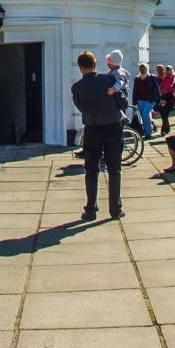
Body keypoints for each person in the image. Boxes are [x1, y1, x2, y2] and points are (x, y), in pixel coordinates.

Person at [70, 50, 126, 220]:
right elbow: (122, 101)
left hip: (92, 128)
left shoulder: (77, 87)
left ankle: (91, 209)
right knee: (114, 169)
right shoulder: (109, 80)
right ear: (95, 64)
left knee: (91, 169)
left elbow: (80, 107)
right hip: (113, 127)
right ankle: (115, 209)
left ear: (80, 68)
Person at [132, 63, 158, 137]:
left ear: (147, 69)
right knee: (144, 116)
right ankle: (150, 128)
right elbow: (135, 91)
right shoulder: (137, 79)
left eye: (144, 68)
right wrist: (134, 101)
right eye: (141, 68)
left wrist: (159, 100)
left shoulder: (152, 77)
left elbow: (156, 89)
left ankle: (148, 133)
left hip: (150, 100)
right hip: (140, 100)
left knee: (145, 114)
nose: (142, 70)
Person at [156, 64, 175, 134]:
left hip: (170, 97)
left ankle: (163, 130)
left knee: (165, 113)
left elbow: (173, 86)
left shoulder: (173, 77)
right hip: (163, 97)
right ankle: (166, 128)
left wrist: (166, 90)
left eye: (168, 70)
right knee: (162, 112)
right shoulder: (165, 77)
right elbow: (161, 85)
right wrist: (160, 90)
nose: (167, 71)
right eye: (166, 70)